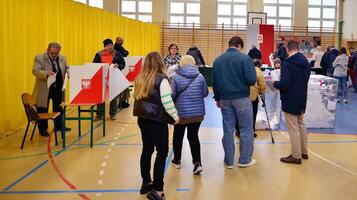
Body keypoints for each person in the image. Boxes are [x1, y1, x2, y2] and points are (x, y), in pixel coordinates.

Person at [133, 52, 179, 200]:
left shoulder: (140, 78)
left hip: (143, 119)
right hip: (157, 121)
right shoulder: (161, 80)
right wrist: (175, 116)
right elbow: (167, 101)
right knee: (162, 152)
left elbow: (135, 95)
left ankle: (146, 183)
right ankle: (158, 189)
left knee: (147, 150)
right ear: (160, 63)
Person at [213, 36, 257, 169]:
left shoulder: (218, 60)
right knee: (245, 129)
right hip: (242, 98)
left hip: (225, 99)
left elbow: (214, 82)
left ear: (230, 45)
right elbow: (251, 79)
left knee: (227, 129)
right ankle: (244, 160)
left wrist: (217, 98)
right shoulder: (244, 58)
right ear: (239, 46)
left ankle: (229, 161)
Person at [274, 40, 311, 164]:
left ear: (287, 48)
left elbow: (284, 84)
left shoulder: (288, 64)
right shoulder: (305, 62)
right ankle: (304, 151)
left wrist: (275, 83)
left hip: (290, 98)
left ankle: (296, 156)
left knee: (293, 127)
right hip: (302, 97)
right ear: (298, 48)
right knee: (301, 124)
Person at [170, 55, 208, 174]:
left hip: (181, 113)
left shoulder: (175, 77)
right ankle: (197, 163)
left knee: (178, 136)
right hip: (197, 113)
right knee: (193, 137)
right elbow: (205, 93)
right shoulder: (200, 76)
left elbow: (171, 95)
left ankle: (177, 160)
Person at [32, 42, 71, 137]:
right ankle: (42, 129)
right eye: (52, 53)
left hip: (57, 87)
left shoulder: (62, 57)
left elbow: (67, 67)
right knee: (42, 109)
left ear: (59, 51)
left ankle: (58, 126)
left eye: (56, 53)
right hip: (44, 88)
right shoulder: (39, 57)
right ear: (48, 50)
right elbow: (35, 71)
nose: (54, 55)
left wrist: (69, 72)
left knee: (58, 108)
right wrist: (46, 73)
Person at [93, 39, 125, 120]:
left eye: (111, 45)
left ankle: (113, 114)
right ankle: (99, 114)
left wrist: (118, 65)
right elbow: (94, 65)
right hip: (102, 78)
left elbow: (123, 64)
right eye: (108, 45)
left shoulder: (117, 54)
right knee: (101, 97)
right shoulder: (99, 54)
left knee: (113, 96)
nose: (110, 46)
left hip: (113, 78)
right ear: (105, 47)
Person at [235, 59, 266, 138]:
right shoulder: (257, 70)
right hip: (252, 96)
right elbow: (262, 85)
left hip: (240, 95)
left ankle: (238, 131)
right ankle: (251, 131)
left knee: (240, 113)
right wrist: (261, 90)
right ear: (258, 65)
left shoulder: (242, 68)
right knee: (252, 114)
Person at [114, 36, 130, 109]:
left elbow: (127, 53)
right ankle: (122, 102)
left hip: (118, 71)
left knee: (125, 85)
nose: (121, 41)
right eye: (120, 40)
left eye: (122, 40)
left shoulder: (120, 48)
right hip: (114, 73)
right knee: (123, 85)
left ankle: (122, 101)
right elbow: (125, 53)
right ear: (116, 40)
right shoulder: (116, 48)